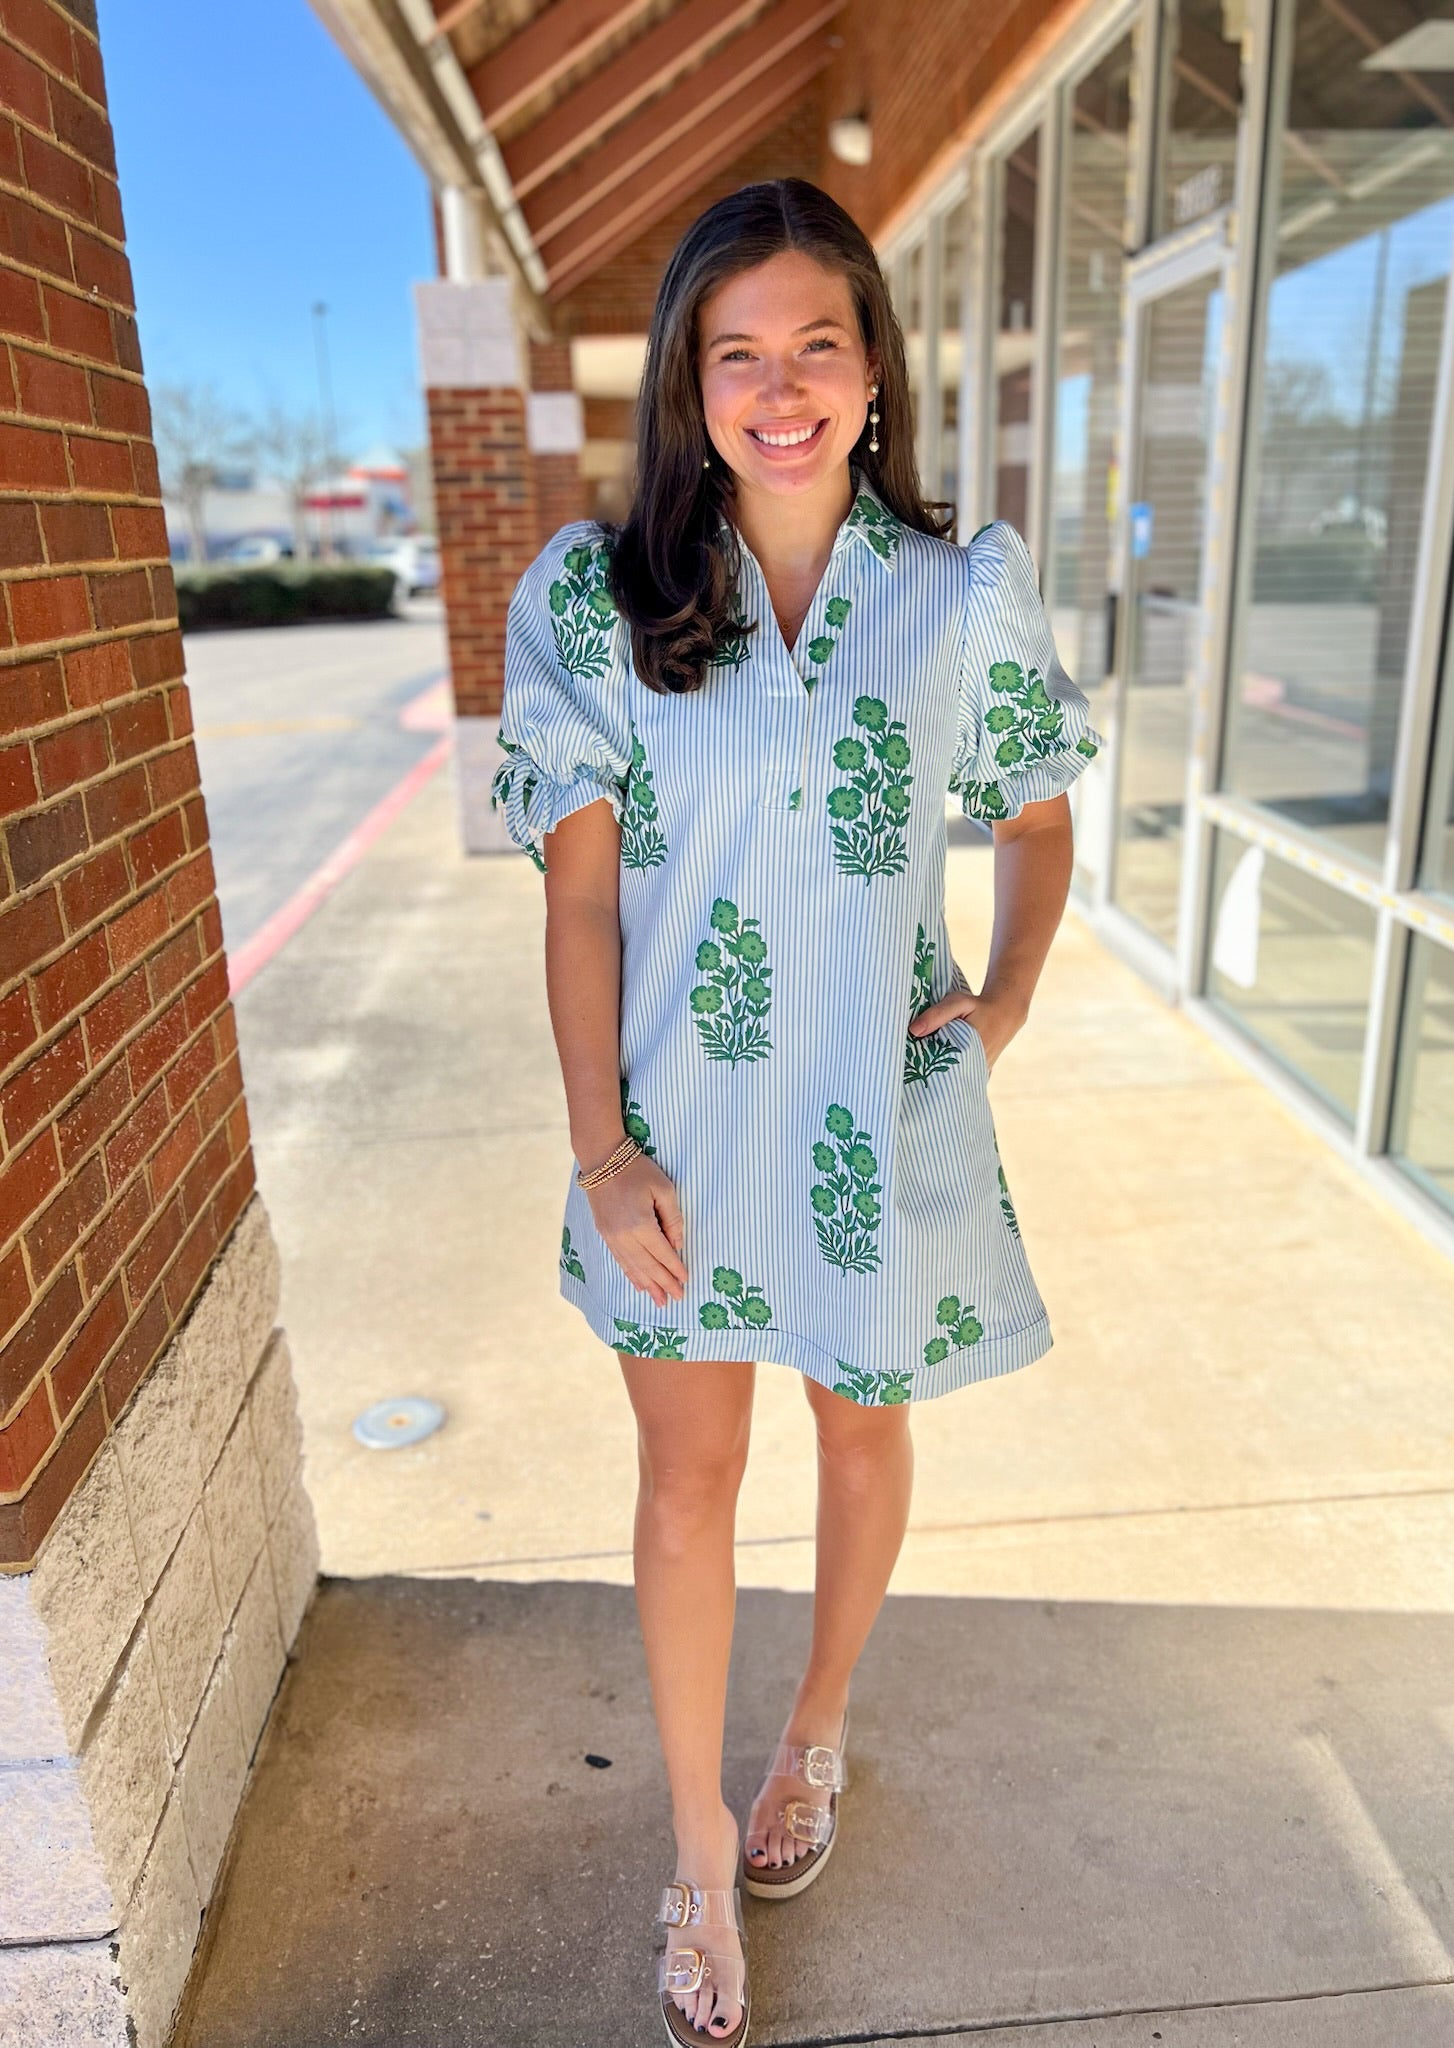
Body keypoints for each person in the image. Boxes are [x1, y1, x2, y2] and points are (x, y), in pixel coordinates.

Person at [491, 177, 1104, 2047]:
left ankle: (813, 1736)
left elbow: (1041, 806)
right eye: (734, 352)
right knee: (689, 1481)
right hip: (673, 1133)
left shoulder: (955, 590)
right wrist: (600, 1142)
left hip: (875, 1117)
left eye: (812, 346)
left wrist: (997, 1000)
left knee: (858, 1445)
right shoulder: (598, 602)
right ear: (688, 379)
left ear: (868, 371)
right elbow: (580, 897)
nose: (776, 386)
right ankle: (694, 1848)